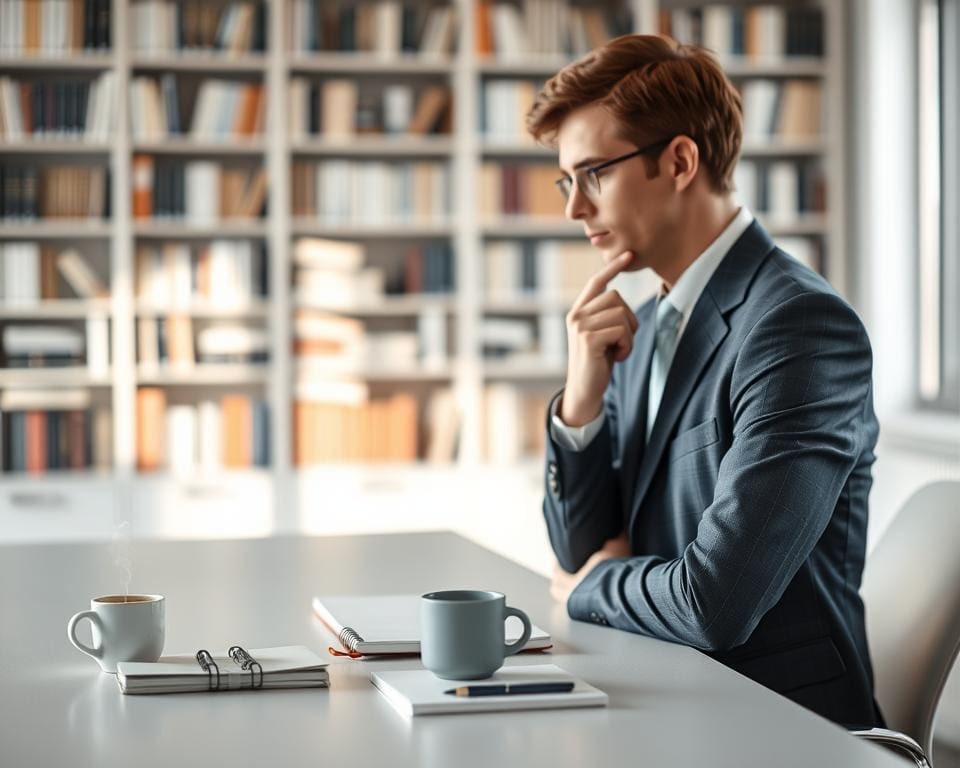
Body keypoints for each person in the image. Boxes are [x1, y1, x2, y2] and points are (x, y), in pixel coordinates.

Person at [528, 34, 883, 727]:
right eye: (565, 182)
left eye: (593, 174)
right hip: (659, 692)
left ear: (680, 161)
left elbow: (714, 601)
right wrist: (581, 399)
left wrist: (591, 584)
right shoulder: (649, 317)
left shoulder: (800, 327)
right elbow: (577, 545)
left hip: (777, 724)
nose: (573, 208)